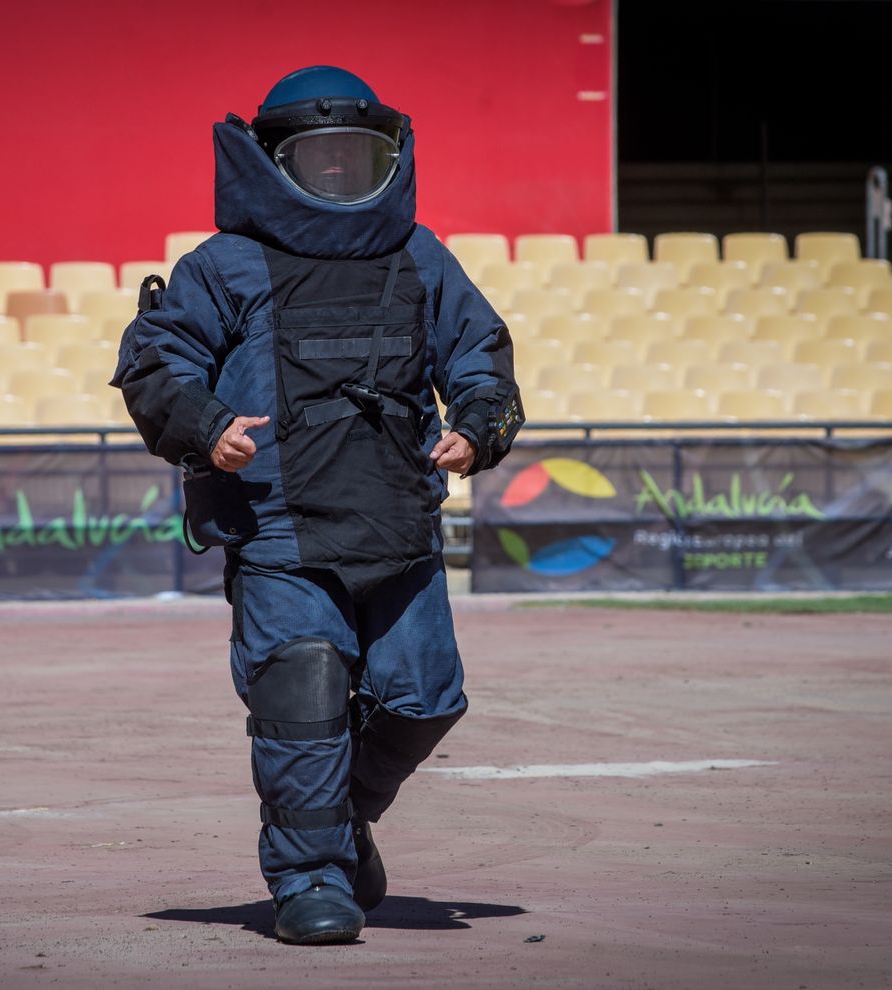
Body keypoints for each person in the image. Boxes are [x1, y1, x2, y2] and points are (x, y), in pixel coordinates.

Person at [111, 66, 522, 945]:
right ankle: (309, 880)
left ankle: (337, 825)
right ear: (271, 163)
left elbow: (481, 355)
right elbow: (155, 363)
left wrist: (479, 426)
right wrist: (205, 422)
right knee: (302, 693)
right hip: (280, 533)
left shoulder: (421, 256)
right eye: (319, 160)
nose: (338, 176)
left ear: (386, 159)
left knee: (425, 701)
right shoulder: (225, 265)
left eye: (356, 159)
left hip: (399, 524)